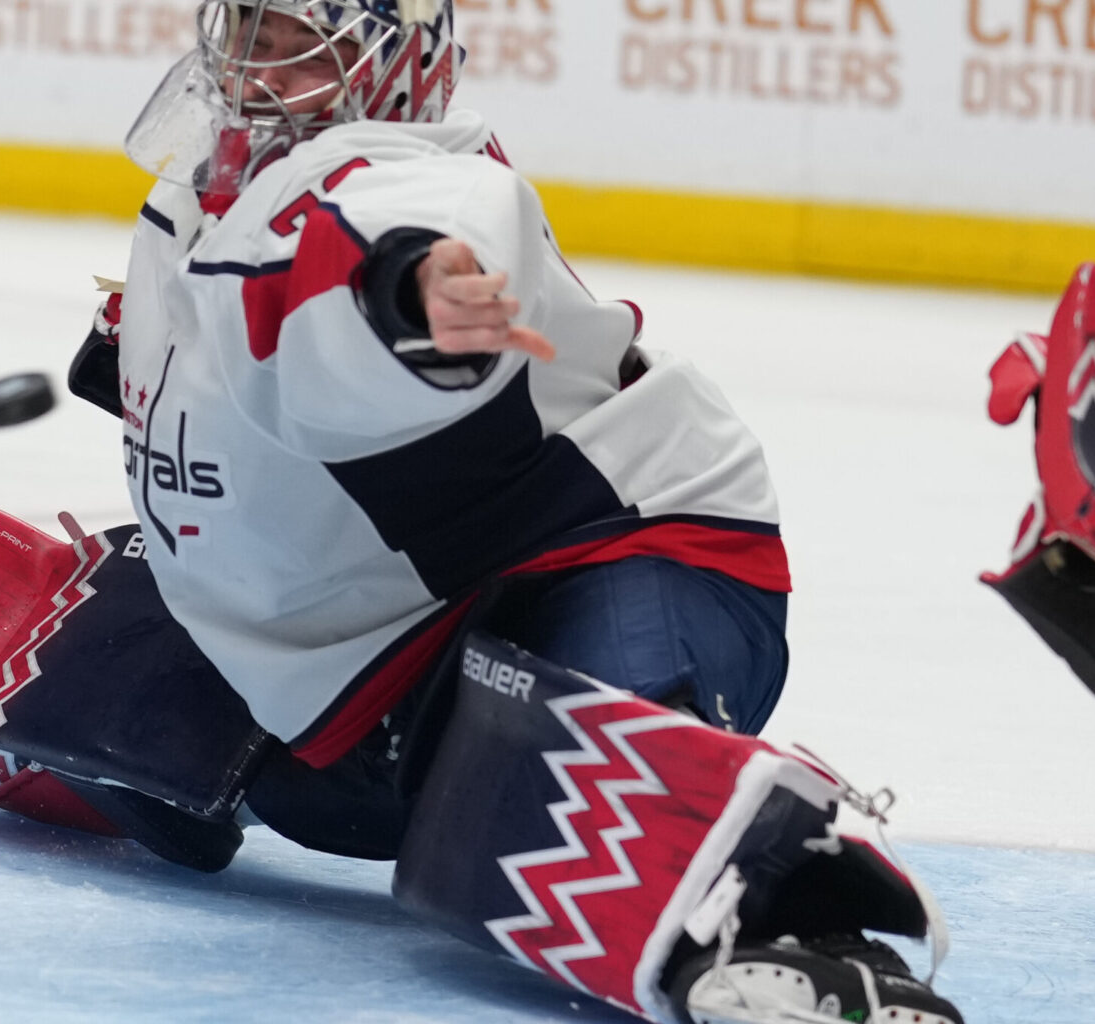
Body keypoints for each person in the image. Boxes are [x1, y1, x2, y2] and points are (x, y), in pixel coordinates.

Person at [60, 2, 967, 1022]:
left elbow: (386, 257)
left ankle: (797, 925)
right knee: (159, 699)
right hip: (382, 653)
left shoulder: (405, 178)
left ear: (390, 67)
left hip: (628, 548)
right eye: (248, 31)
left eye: (293, 44)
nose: (251, 67)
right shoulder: (204, 193)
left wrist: (419, 302)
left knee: (578, 762)